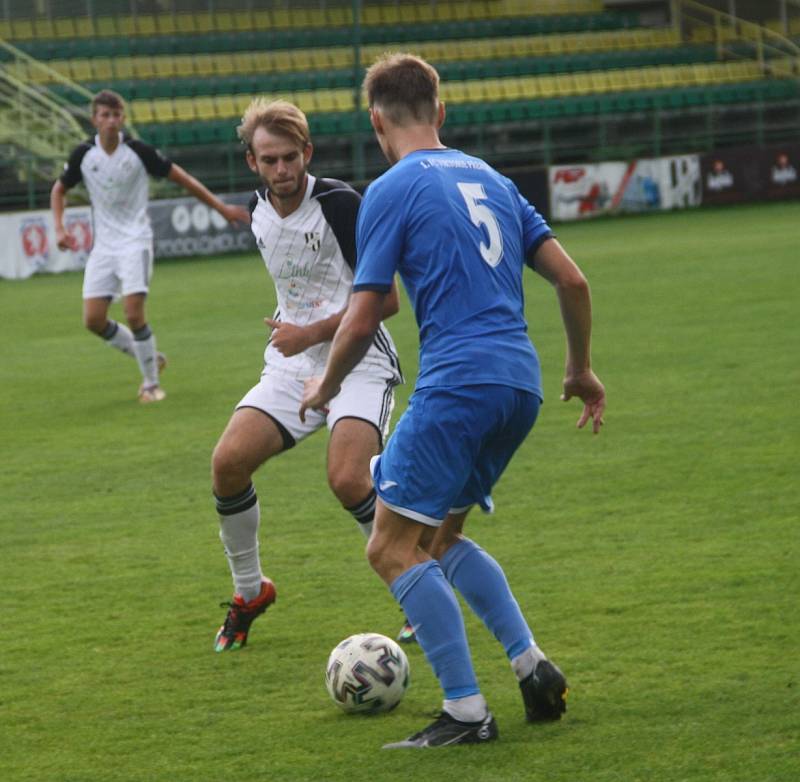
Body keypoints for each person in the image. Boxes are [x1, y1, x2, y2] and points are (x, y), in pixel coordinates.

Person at [301, 53, 606, 749]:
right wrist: (581, 369)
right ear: (441, 112)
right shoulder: (494, 180)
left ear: (376, 120)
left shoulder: (391, 188)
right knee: (443, 537)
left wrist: (323, 387)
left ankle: (466, 712)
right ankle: (532, 668)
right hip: (520, 383)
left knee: (389, 547)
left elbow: (371, 305)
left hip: (457, 383)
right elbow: (574, 282)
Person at [211, 99, 404, 653]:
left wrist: (311, 334)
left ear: (307, 153)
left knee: (347, 479)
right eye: (269, 160)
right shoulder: (258, 211)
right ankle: (250, 592)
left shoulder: (342, 204)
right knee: (227, 464)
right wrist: (298, 343)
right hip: (292, 365)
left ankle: (414, 585)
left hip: (359, 359)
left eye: (290, 158)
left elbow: (386, 300)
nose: (281, 170)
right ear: (252, 161)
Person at [51, 89, 249, 403]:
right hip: (104, 246)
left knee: (133, 313)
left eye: (116, 115)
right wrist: (59, 228)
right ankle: (151, 356)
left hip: (135, 241)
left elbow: (181, 177)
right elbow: (59, 189)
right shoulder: (83, 155)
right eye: (105, 115)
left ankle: (150, 384)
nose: (111, 121)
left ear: (123, 118)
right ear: (94, 120)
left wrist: (221, 208)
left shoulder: (138, 151)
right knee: (93, 320)